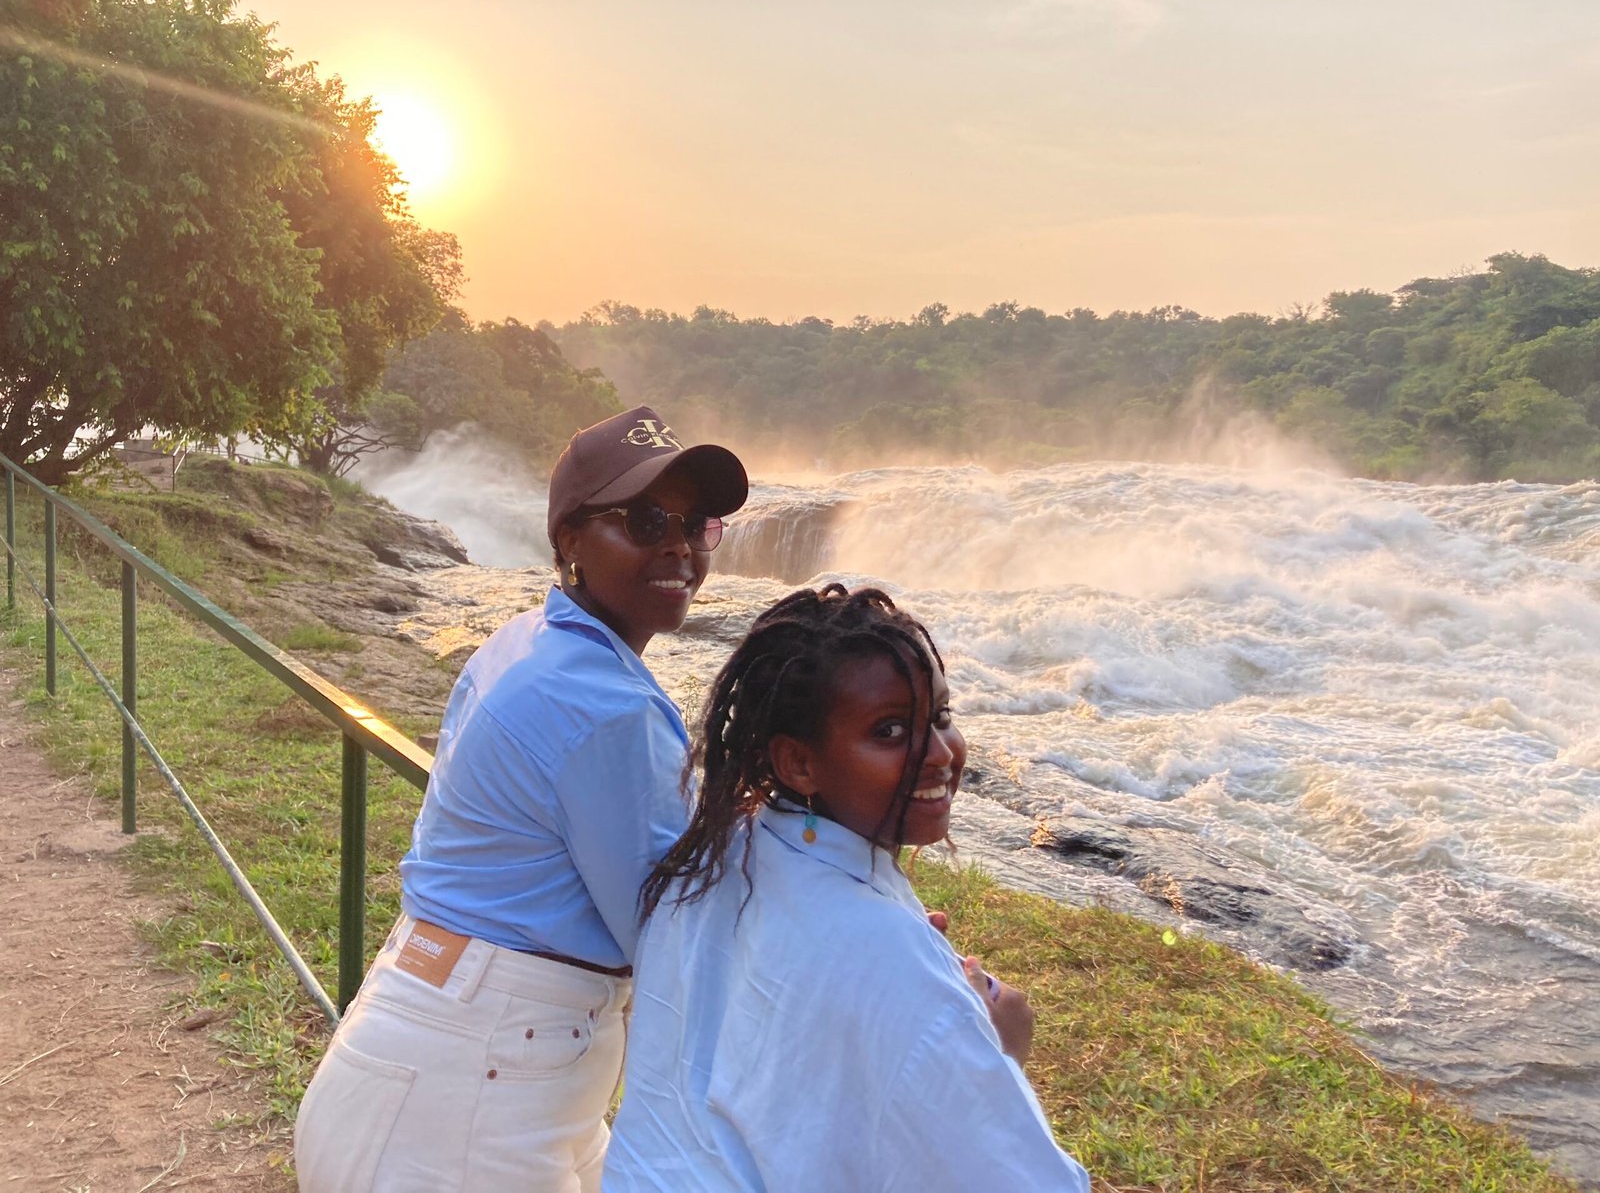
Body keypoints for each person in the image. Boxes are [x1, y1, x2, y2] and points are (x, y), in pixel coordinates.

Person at [293, 405, 748, 1193]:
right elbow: (676, 936)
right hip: (470, 1107)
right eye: (645, 520)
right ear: (570, 539)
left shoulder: (523, 642)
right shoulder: (606, 705)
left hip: (439, 1056)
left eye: (695, 524)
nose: (678, 545)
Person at [603, 585, 1092, 1192]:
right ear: (798, 763)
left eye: (941, 718)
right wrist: (998, 1051)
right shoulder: (891, 956)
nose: (941, 754)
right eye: (891, 730)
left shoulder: (718, 854)